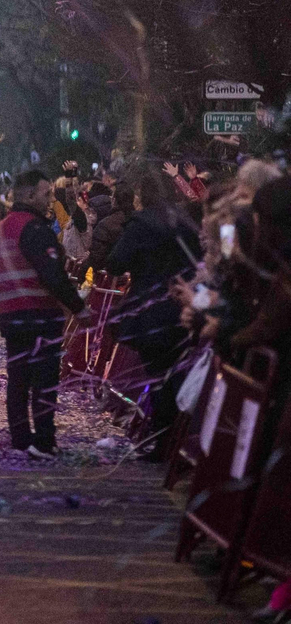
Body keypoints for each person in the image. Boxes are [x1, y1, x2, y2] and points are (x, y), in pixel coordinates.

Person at [0, 169, 90, 459]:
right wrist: (79, 307)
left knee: (18, 378)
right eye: (46, 194)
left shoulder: (2, 227)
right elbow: (52, 275)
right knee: (45, 380)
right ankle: (44, 440)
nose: (50, 200)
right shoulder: (34, 228)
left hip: (10, 314)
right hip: (38, 313)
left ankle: (21, 438)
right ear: (30, 194)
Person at [107, 167, 200, 460]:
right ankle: (174, 439)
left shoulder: (140, 225)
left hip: (149, 308)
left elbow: (115, 262)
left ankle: (162, 441)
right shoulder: (185, 223)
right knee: (175, 373)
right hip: (181, 303)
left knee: (158, 375)